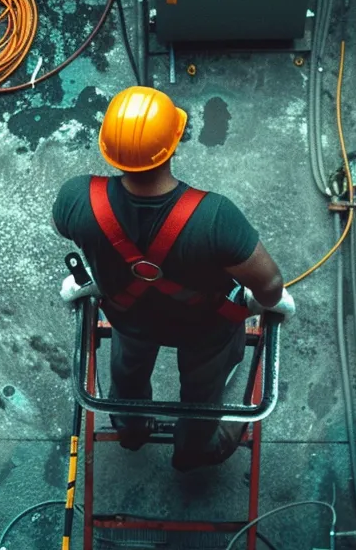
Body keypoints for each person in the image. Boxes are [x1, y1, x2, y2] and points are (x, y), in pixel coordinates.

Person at [53, 86, 297, 471]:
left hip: (128, 319)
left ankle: (131, 430)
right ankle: (192, 450)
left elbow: (67, 229)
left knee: (128, 371)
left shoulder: (78, 200)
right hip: (206, 330)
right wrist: (262, 302)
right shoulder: (216, 217)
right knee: (202, 393)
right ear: (173, 144)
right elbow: (269, 285)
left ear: (108, 148)